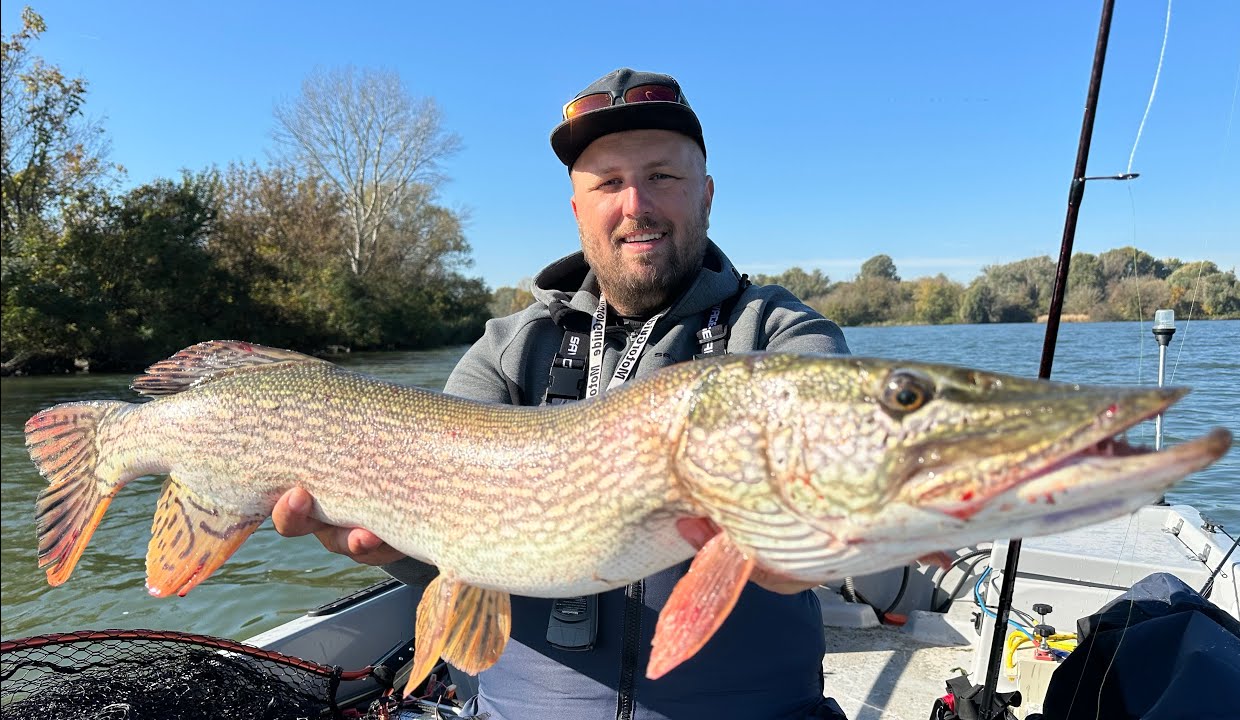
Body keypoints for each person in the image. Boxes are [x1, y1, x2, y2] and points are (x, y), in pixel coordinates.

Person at [273, 68, 852, 719]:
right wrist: (399, 547)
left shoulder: (777, 332)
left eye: (663, 176)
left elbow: (836, 471)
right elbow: (447, 552)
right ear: (578, 208)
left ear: (707, 195)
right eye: (608, 183)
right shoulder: (508, 347)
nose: (636, 204)